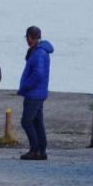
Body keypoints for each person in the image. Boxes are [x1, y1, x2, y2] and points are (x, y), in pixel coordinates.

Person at [18, 25, 54, 160]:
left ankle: (35, 149)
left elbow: (38, 74)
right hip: (38, 92)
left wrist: (25, 87)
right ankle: (41, 150)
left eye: (27, 37)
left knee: (26, 121)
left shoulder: (39, 53)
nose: (26, 40)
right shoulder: (39, 51)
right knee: (37, 122)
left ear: (29, 37)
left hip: (34, 93)